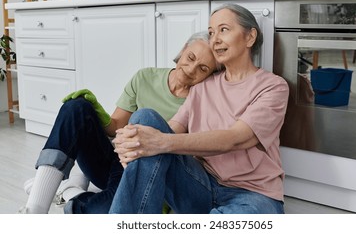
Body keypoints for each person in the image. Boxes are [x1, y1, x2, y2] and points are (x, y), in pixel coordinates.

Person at [110, 3, 289, 214]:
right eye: (212, 33)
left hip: (252, 195)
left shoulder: (272, 86)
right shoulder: (202, 87)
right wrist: (133, 141)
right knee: (145, 118)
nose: (215, 39)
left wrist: (158, 142)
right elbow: (171, 128)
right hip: (199, 185)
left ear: (250, 37)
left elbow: (236, 138)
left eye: (224, 29)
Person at [20, 31, 218, 214]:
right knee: (76, 107)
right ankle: (35, 209)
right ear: (183, 49)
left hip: (148, 174)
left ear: (210, 75)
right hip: (115, 161)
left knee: (109, 213)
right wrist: (100, 114)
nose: (191, 69)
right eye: (190, 57)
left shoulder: (203, 100)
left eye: (203, 68)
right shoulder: (145, 77)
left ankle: (69, 192)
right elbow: (116, 127)